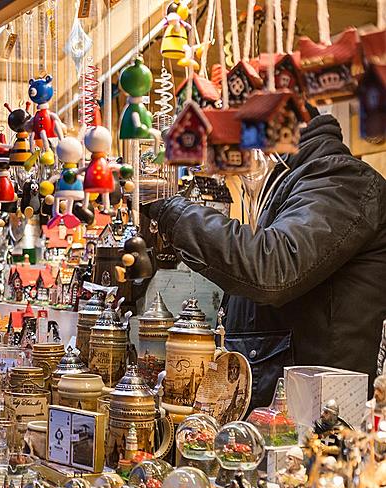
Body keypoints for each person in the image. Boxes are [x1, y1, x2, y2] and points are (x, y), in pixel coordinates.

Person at [150, 113, 386, 409]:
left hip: (319, 417)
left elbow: (272, 266)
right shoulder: (287, 183)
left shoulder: (340, 179)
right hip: (279, 404)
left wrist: (172, 211)